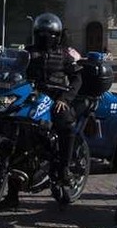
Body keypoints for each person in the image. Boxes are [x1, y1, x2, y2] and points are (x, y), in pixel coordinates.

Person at [26, 12, 80, 186]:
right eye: (41, 34)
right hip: (30, 98)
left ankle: (64, 169)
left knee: (67, 125)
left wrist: (65, 98)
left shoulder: (64, 55)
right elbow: (12, 71)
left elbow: (77, 78)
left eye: (48, 35)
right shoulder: (27, 53)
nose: (44, 38)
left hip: (55, 99)